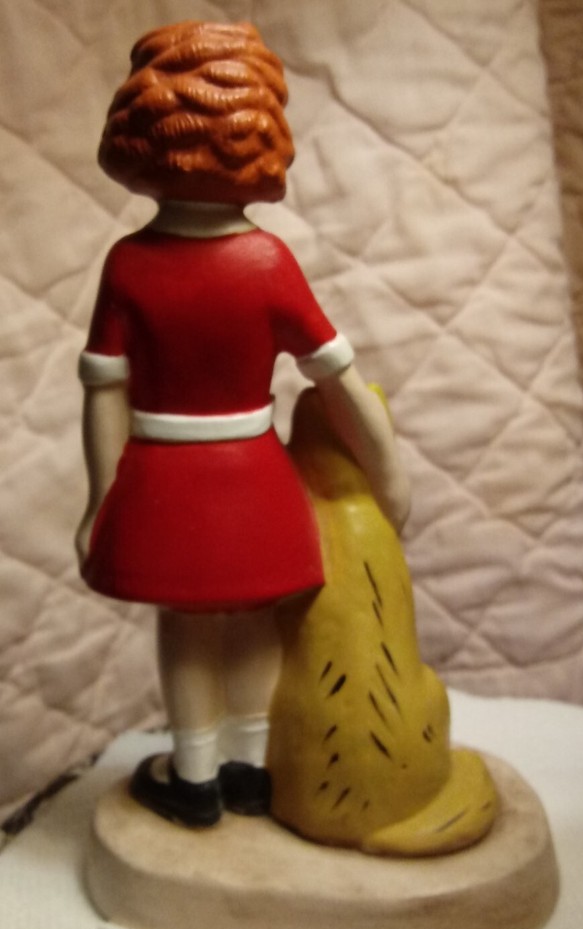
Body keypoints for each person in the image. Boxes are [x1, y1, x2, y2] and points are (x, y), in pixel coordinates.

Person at [76, 20, 410, 828]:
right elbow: (337, 377)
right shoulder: (268, 262)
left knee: (188, 623)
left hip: (163, 478)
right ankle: (246, 771)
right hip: (252, 475)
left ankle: (195, 777)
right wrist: (388, 470)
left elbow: (103, 390)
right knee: (251, 615)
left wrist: (100, 498)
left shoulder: (129, 264)